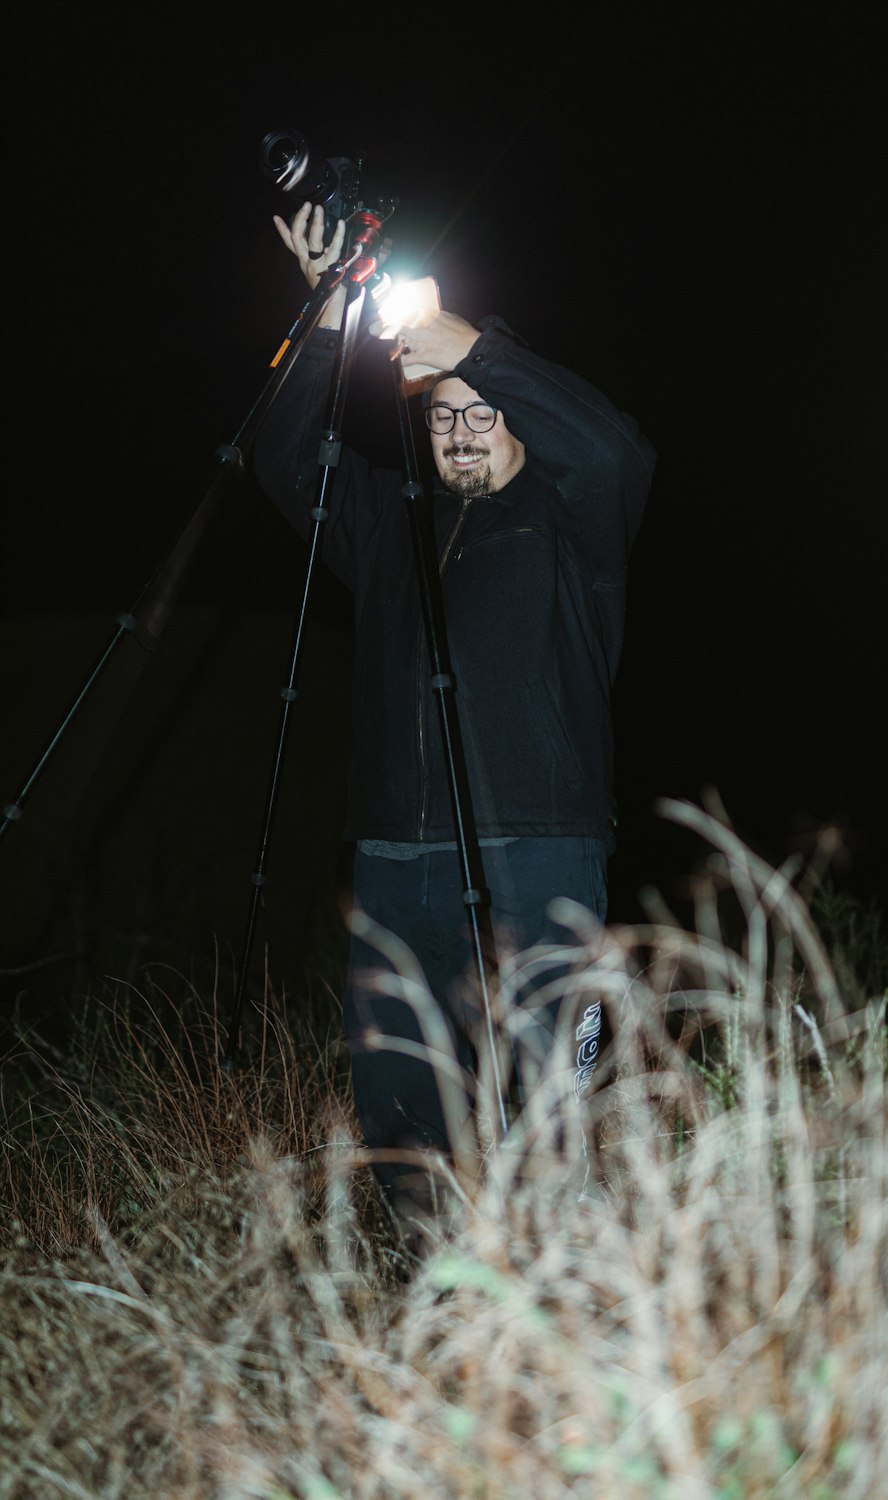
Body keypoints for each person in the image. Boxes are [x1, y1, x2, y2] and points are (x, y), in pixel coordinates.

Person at [254, 204, 656, 1242]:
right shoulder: (388, 528)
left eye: (484, 413)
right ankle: (426, 1284)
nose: (462, 430)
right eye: (443, 415)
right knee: (400, 1096)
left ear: (517, 421)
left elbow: (613, 449)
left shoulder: (574, 523)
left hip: (540, 843)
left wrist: (473, 350)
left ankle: (559, 1290)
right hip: (395, 853)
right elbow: (283, 461)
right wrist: (331, 316)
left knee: (546, 1098)